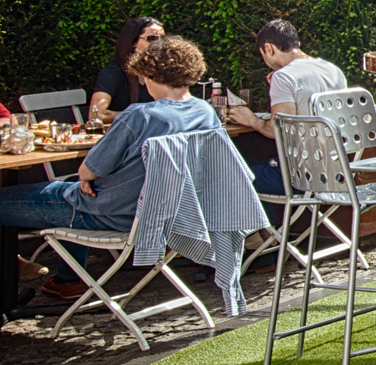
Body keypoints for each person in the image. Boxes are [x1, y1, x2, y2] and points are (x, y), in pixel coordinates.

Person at [0, 35, 223, 301]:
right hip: (171, 216)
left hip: (112, 214)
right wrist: (87, 177)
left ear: (151, 74)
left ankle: (21, 283)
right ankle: (66, 280)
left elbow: (88, 171)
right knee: (72, 187)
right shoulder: (205, 112)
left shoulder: (140, 115)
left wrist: (87, 177)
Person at [228, 20, 349, 194]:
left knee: (232, 174)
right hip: (337, 172)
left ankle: (271, 215)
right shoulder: (332, 69)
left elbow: (275, 130)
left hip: (302, 176)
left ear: (269, 49)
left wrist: (251, 120)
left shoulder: (284, 77)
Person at [89, 17, 164, 122]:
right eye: (152, 38)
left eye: (163, 38)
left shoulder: (164, 71)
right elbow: (97, 115)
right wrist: (141, 114)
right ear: (133, 42)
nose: (160, 44)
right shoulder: (112, 73)